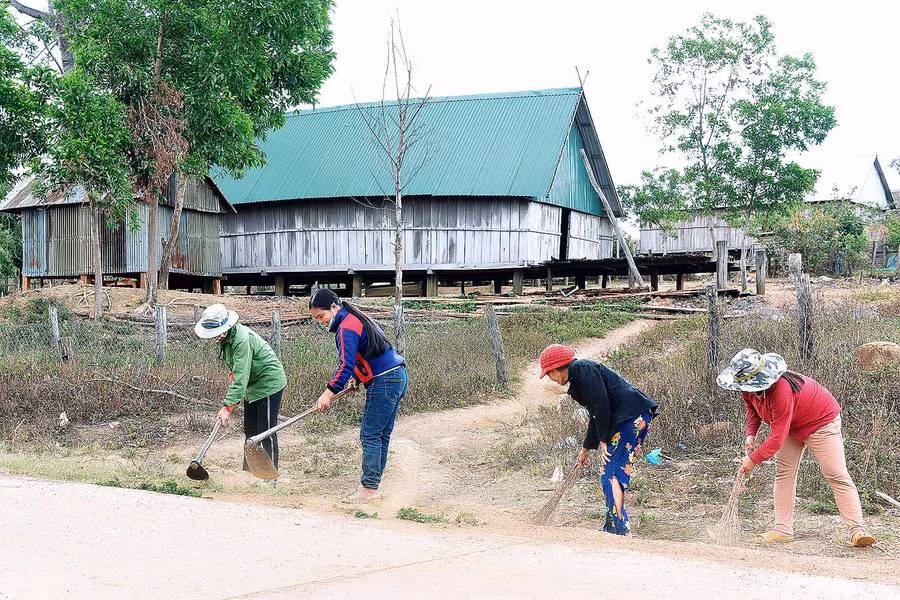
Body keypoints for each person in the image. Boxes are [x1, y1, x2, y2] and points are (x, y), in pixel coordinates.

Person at [716, 348, 876, 547]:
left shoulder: (781, 392)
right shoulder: (747, 387)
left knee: (836, 474)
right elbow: (752, 408)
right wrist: (751, 433)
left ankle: (857, 531)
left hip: (821, 423)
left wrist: (753, 459)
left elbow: (776, 437)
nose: (745, 390)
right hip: (790, 426)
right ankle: (782, 529)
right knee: (784, 474)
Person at [539, 344, 658, 536]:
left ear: (555, 369)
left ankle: (619, 528)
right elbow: (595, 415)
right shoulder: (578, 379)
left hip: (630, 417)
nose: (550, 379)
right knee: (611, 471)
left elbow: (602, 403)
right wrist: (585, 450)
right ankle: (615, 525)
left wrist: (604, 441)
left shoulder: (581, 368)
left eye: (549, 374)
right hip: (632, 416)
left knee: (611, 472)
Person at [309, 288, 407, 503]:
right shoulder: (356, 318)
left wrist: (327, 394)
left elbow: (345, 365)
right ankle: (372, 486)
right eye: (316, 318)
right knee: (380, 435)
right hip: (396, 376)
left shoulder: (346, 327)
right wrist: (359, 378)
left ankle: (369, 490)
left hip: (385, 381)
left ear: (334, 307)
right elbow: (370, 352)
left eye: (321, 316)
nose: (321, 321)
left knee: (370, 435)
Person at [194, 304, 287, 472]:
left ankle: (271, 477)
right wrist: (233, 378)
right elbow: (236, 368)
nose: (212, 337)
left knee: (265, 430)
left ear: (225, 326)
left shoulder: (242, 339)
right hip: (252, 384)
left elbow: (241, 376)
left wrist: (227, 407)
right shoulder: (224, 338)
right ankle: (251, 472)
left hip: (268, 382)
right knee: (250, 429)